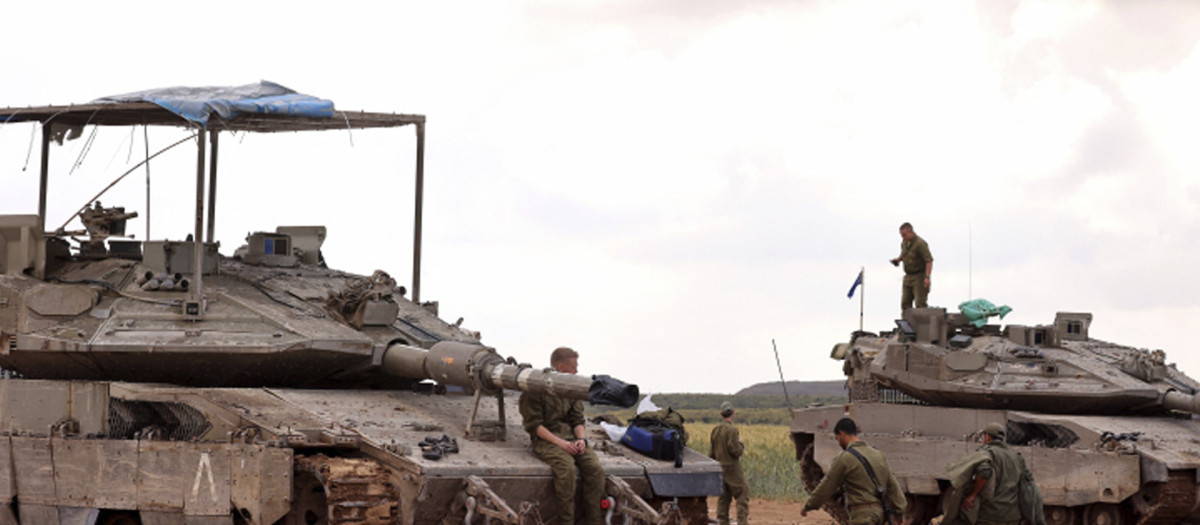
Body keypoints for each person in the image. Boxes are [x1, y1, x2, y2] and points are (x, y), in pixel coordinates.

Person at [519, 347, 605, 525]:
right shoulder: (536, 388)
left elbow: (577, 419)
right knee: (567, 470)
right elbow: (534, 426)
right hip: (546, 439)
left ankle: (594, 521)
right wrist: (561, 444)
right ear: (561, 366)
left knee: (595, 469)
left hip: (571, 438)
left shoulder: (570, 389)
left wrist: (582, 439)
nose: (576, 371)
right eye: (573, 367)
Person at [801, 418, 905, 525]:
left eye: (837, 438)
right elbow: (893, 487)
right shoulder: (878, 455)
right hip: (880, 514)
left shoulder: (845, 458)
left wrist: (809, 505)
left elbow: (827, 485)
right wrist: (899, 513)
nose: (838, 442)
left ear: (842, 433)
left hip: (862, 515)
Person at [946, 423, 1024, 525]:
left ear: (987, 437)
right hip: (1013, 515)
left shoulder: (987, 452)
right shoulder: (1015, 457)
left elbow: (984, 471)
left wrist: (972, 495)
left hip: (991, 514)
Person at [710, 401, 749, 525]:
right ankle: (742, 522)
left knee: (724, 497)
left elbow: (711, 453)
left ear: (721, 414)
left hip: (720, 467)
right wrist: (741, 444)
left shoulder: (715, 430)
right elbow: (735, 450)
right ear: (733, 413)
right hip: (732, 467)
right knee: (742, 493)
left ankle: (722, 522)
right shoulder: (732, 430)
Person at [890, 222, 933, 313]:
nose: (903, 237)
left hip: (919, 276)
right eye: (902, 235)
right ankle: (906, 325)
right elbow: (904, 253)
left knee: (920, 304)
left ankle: (922, 325)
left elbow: (928, 260)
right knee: (905, 303)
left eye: (904, 235)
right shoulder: (905, 243)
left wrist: (927, 277)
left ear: (911, 232)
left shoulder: (920, 243)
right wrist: (898, 260)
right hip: (908, 276)